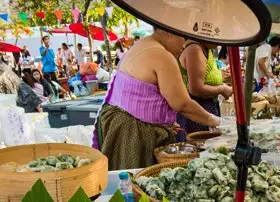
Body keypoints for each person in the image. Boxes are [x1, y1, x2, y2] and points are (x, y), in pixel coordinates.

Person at [93, 28, 221, 170]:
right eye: (183, 39)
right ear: (169, 32)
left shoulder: (142, 44)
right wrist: (214, 120)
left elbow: (144, 95)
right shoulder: (162, 55)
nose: (184, 45)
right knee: (139, 181)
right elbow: (182, 104)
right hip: (134, 133)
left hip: (120, 124)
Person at [176, 41, 232, 134]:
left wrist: (222, 85)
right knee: (200, 145)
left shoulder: (205, 50)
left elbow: (206, 79)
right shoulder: (194, 50)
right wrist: (222, 89)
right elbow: (195, 89)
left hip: (206, 109)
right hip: (197, 113)